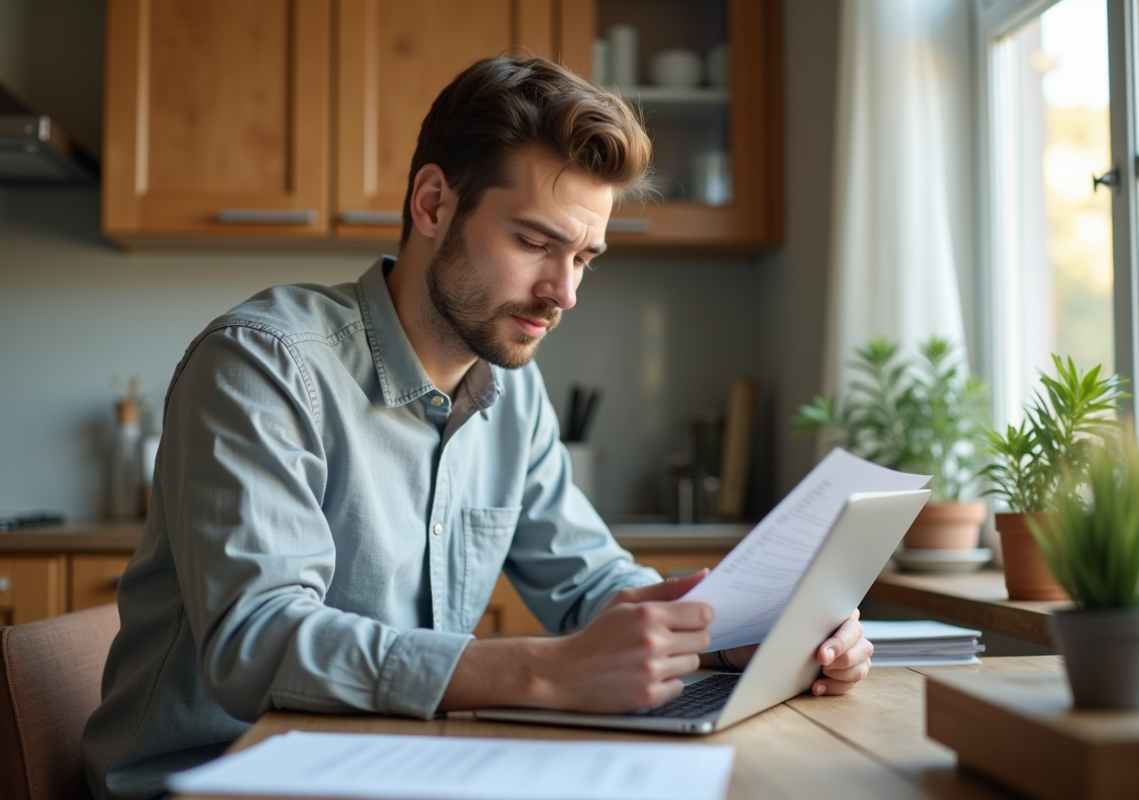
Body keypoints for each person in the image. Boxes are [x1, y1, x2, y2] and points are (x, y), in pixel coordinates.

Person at [82, 55, 873, 800]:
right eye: (535, 242)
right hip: (216, 781)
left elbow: (590, 582)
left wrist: (734, 633)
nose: (563, 292)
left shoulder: (511, 394)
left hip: (395, 763)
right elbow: (257, 642)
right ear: (434, 204)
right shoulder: (264, 365)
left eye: (586, 258)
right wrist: (541, 671)